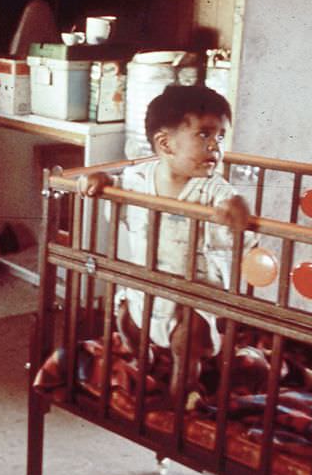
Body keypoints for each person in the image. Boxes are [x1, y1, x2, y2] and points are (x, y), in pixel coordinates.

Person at [77, 84, 251, 403]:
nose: (216, 146)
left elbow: (234, 206)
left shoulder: (213, 190)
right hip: (147, 286)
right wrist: (102, 180)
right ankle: (144, 360)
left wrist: (237, 210)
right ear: (165, 143)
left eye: (221, 137)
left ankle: (184, 390)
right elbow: (117, 182)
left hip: (192, 294)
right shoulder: (139, 180)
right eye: (204, 135)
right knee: (125, 317)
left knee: (188, 339)